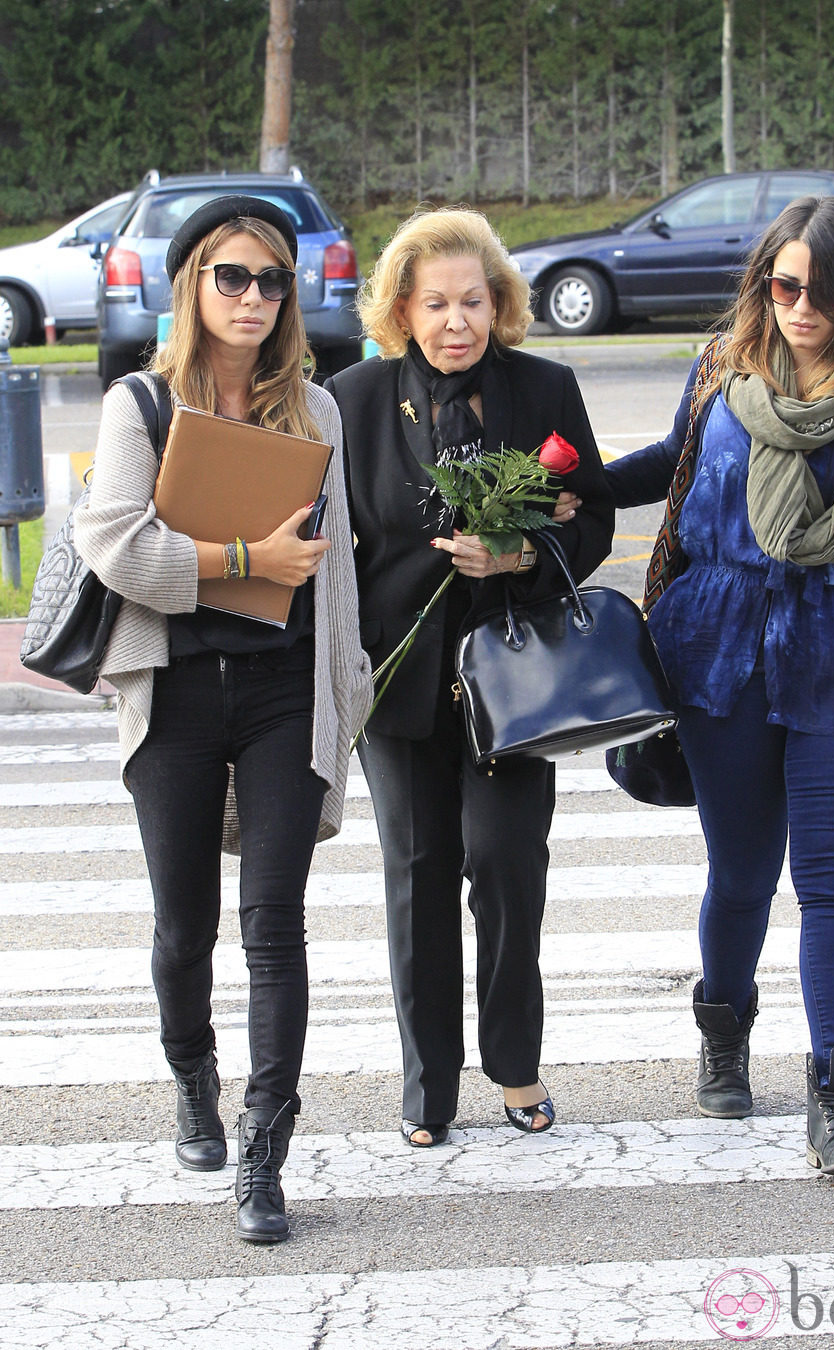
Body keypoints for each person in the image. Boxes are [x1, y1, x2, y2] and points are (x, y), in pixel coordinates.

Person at [605, 195, 834, 1180]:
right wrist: (568, 483)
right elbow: (670, 467)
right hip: (716, 659)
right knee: (743, 873)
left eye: (820, 291)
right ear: (764, 281)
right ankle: (722, 1023)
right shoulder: (721, 370)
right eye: (782, 284)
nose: (797, 306)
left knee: (833, 885)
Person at [76, 195, 373, 1241]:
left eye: (272, 280)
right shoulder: (140, 407)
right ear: (192, 284)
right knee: (181, 928)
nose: (252, 297)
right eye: (232, 277)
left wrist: (350, 688)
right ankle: (192, 1073)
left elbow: (331, 577)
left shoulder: (317, 410)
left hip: (286, 693)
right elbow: (121, 549)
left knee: (273, 925)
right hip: (179, 695)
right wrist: (246, 562)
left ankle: (262, 1149)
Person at [326, 206, 614, 1147]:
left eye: (475, 301)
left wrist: (524, 553)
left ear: (501, 305)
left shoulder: (544, 389)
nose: (459, 321)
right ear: (402, 310)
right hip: (401, 682)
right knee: (417, 874)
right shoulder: (357, 398)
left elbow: (594, 521)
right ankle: (428, 1088)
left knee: (506, 865)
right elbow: (337, 543)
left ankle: (516, 1063)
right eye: (437, 303)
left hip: (518, 682)